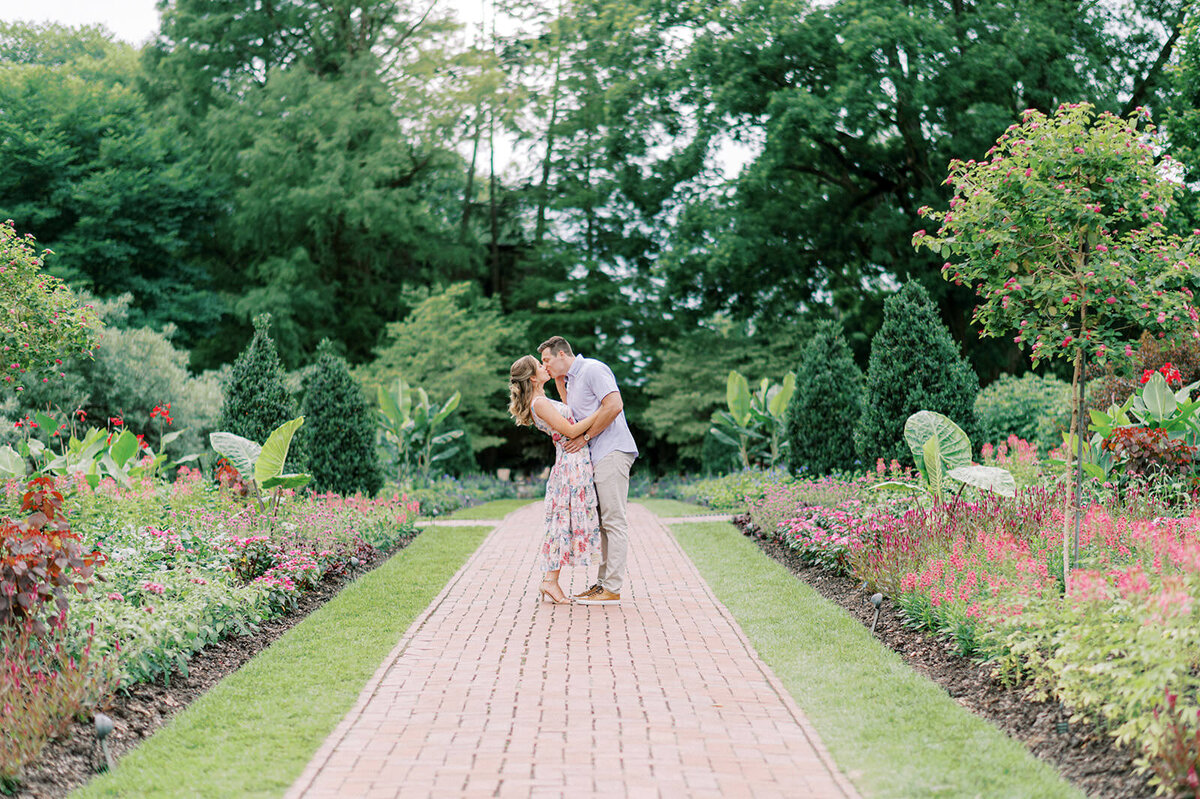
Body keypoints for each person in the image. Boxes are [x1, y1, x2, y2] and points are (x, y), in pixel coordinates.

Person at [538, 336, 637, 605]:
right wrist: (559, 382)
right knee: (605, 522)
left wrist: (586, 437)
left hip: (612, 450)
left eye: (547, 360)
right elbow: (574, 413)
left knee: (614, 520)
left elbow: (614, 405)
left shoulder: (592, 369)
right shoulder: (571, 380)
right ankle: (604, 584)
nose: (544, 365)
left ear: (561, 354)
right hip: (598, 455)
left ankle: (612, 587)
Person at [509, 354, 602, 604]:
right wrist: (603, 409)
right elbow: (571, 430)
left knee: (565, 522)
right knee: (562, 523)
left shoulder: (543, 399)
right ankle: (550, 581)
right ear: (531, 377)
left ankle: (550, 580)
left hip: (574, 460)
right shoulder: (538, 403)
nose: (544, 366)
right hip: (570, 464)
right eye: (539, 365)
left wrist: (560, 379)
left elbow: (566, 408)